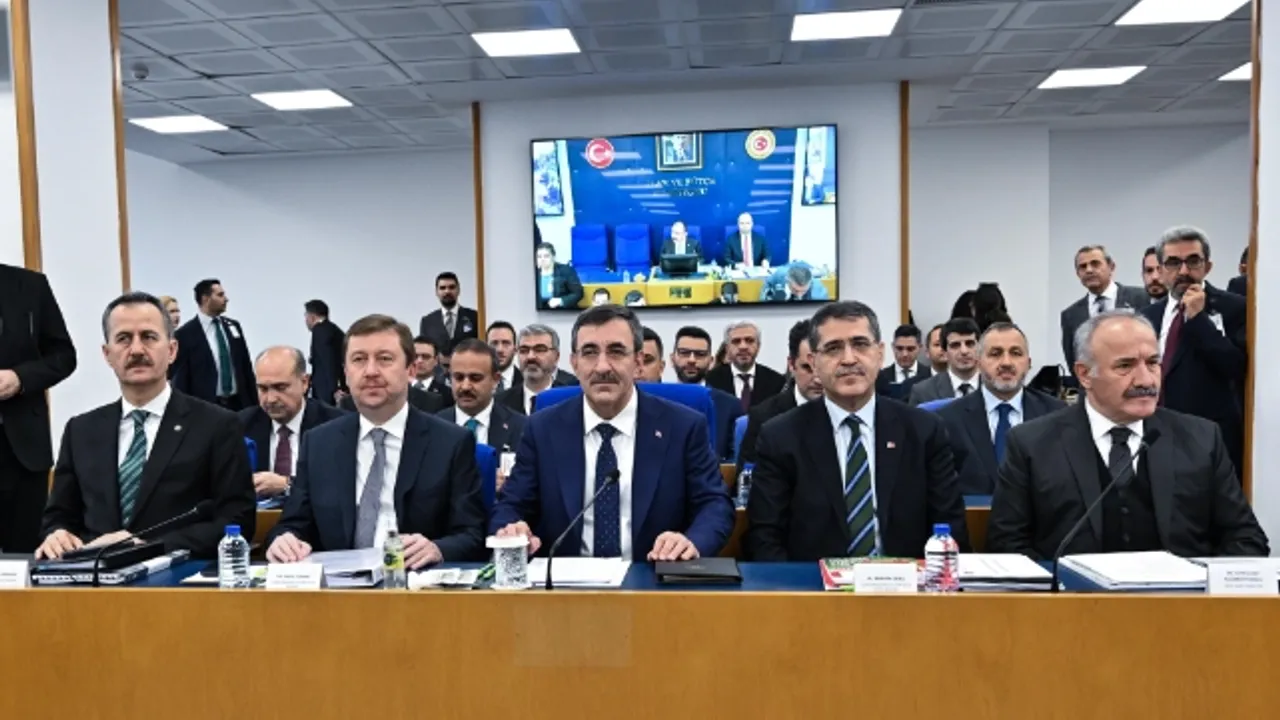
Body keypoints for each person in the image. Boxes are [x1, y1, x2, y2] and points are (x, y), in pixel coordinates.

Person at [987, 310, 1267, 559]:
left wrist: (1200, 586)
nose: (1146, 380)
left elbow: (1246, 541)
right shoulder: (1032, 444)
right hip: (1072, 600)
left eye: (1153, 362)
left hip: (1179, 599)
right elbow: (1007, 548)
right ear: (1084, 375)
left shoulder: (1201, 439)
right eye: (1125, 366)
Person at [491, 305, 734, 561]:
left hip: (652, 575)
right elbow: (510, 506)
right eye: (589, 352)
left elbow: (715, 504)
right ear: (574, 363)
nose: (602, 367)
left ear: (638, 362)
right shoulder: (542, 429)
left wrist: (691, 542)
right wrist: (512, 530)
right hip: (565, 580)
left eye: (616, 352)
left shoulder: (683, 427)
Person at [37, 292, 254, 560]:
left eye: (149, 337)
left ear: (172, 350)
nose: (137, 350)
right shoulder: (80, 430)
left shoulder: (217, 425)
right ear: (107, 354)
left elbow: (237, 520)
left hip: (178, 576)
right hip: (94, 578)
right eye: (123, 339)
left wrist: (147, 546)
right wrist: (56, 533)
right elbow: (58, 516)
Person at [745, 301, 967, 561]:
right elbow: (765, 538)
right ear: (814, 363)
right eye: (833, 348)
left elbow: (950, 529)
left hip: (907, 582)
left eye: (860, 344)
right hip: (813, 583)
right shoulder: (780, 437)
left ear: (880, 354)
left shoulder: (924, 431)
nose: (849, 359)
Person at [266, 314, 486, 568]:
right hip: (338, 586)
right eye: (359, 360)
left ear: (411, 370)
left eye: (384, 359)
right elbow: (293, 524)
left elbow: (472, 535)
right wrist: (285, 540)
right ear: (346, 373)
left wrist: (437, 549)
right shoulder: (318, 443)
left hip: (415, 582)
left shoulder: (451, 442)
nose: (371, 371)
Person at [1141, 226, 1248, 477]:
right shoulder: (1147, 316)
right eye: (1173, 263)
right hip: (1156, 434)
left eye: (1193, 261)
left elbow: (1236, 367)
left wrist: (1198, 319)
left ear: (1207, 266)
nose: (1184, 271)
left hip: (1210, 440)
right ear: (1161, 270)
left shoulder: (1234, 307)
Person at [936, 323, 1064, 495]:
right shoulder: (948, 420)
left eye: (1016, 353)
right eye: (995, 354)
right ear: (979, 363)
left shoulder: (1057, 415)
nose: (1006, 362)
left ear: (1028, 363)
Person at [0, 263, 76, 552]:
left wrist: (20, 378)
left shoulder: (30, 285)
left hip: (22, 452)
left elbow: (64, 356)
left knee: (24, 556)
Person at [238, 346, 344, 499]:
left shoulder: (336, 425)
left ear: (305, 382)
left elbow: (338, 486)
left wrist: (287, 484)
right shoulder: (240, 426)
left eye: (280, 388)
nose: (271, 399)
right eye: (263, 389)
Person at [737, 319, 823, 471]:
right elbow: (747, 477)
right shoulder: (764, 417)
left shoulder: (849, 411)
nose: (817, 379)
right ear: (791, 365)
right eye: (807, 368)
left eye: (822, 368)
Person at [172, 278, 256, 411]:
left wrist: (254, 405)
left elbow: (246, 366)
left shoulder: (233, 326)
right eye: (220, 295)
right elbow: (182, 379)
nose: (226, 299)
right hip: (206, 408)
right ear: (205, 299)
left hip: (239, 405)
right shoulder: (185, 334)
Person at [659, 326, 742, 460]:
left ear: (711, 361)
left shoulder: (730, 405)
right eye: (684, 353)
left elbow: (733, 461)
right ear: (672, 359)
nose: (692, 360)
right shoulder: (656, 399)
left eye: (700, 354)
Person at [1060, 245, 1149, 368]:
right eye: (1083, 266)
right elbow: (1073, 359)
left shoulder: (1141, 298)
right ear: (1078, 274)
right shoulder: (1070, 315)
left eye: (1095, 264)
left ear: (1111, 267)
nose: (1089, 270)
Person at [436, 339, 526, 453]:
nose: (465, 387)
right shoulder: (434, 427)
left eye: (475, 378)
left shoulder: (520, 428)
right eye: (459, 377)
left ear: (495, 380)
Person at [497, 324, 579, 416]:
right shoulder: (499, 403)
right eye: (524, 350)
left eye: (539, 350)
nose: (530, 357)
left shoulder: (572, 399)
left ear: (556, 356)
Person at [706, 321, 786, 410]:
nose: (743, 347)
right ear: (727, 348)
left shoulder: (776, 381)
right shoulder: (711, 380)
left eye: (749, 341)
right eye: (736, 341)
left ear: (758, 346)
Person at [909, 317, 980, 405]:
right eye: (955, 345)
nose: (964, 351)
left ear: (980, 347)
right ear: (945, 352)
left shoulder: (993, 385)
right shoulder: (923, 392)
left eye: (970, 343)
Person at [418, 272, 478, 357]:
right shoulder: (427, 322)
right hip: (438, 366)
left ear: (458, 290)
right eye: (442, 288)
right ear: (436, 292)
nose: (447, 291)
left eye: (451, 287)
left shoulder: (474, 317)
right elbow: (423, 351)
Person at [304, 299, 346, 406]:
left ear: (312, 316)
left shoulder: (319, 330)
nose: (305, 320)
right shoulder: (333, 329)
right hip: (339, 385)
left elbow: (328, 359)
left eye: (306, 316)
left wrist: (335, 388)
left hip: (326, 390)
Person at [875, 324, 931, 400]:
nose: (905, 354)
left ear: (920, 348)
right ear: (893, 347)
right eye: (899, 348)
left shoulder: (930, 376)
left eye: (910, 349)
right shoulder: (880, 378)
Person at [534, 242, 584, 310]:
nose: (542, 259)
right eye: (539, 257)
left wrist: (561, 301)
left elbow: (578, 293)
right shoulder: (533, 274)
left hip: (562, 311)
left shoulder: (566, 270)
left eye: (546, 256)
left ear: (553, 257)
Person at [408, 336, 454, 407]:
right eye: (415, 356)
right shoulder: (398, 390)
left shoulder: (448, 394)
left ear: (436, 360)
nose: (419, 361)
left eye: (426, 356)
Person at [486, 321, 521, 392]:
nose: (500, 350)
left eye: (506, 343)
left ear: (515, 349)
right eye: (494, 343)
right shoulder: (475, 380)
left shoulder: (528, 382)